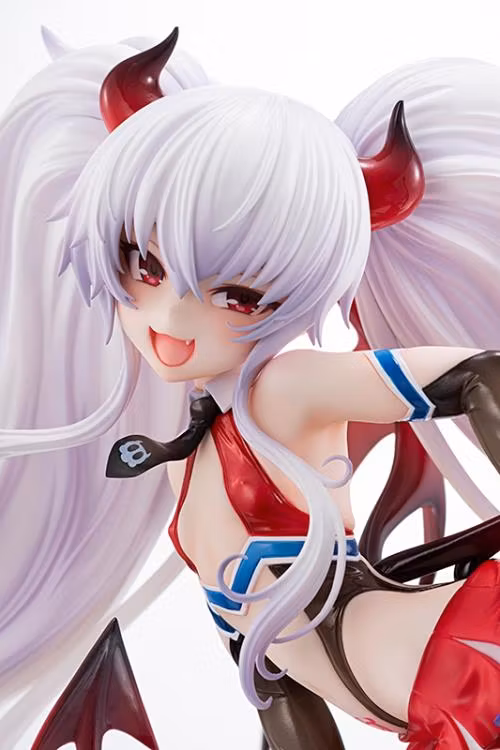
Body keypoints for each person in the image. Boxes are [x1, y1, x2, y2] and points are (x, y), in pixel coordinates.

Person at [1, 26, 499, 750]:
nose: (171, 318)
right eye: (144, 264)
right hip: (420, 700)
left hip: (467, 656)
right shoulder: (176, 470)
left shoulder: (286, 389)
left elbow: (481, 374)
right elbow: (266, 677)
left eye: (238, 294)